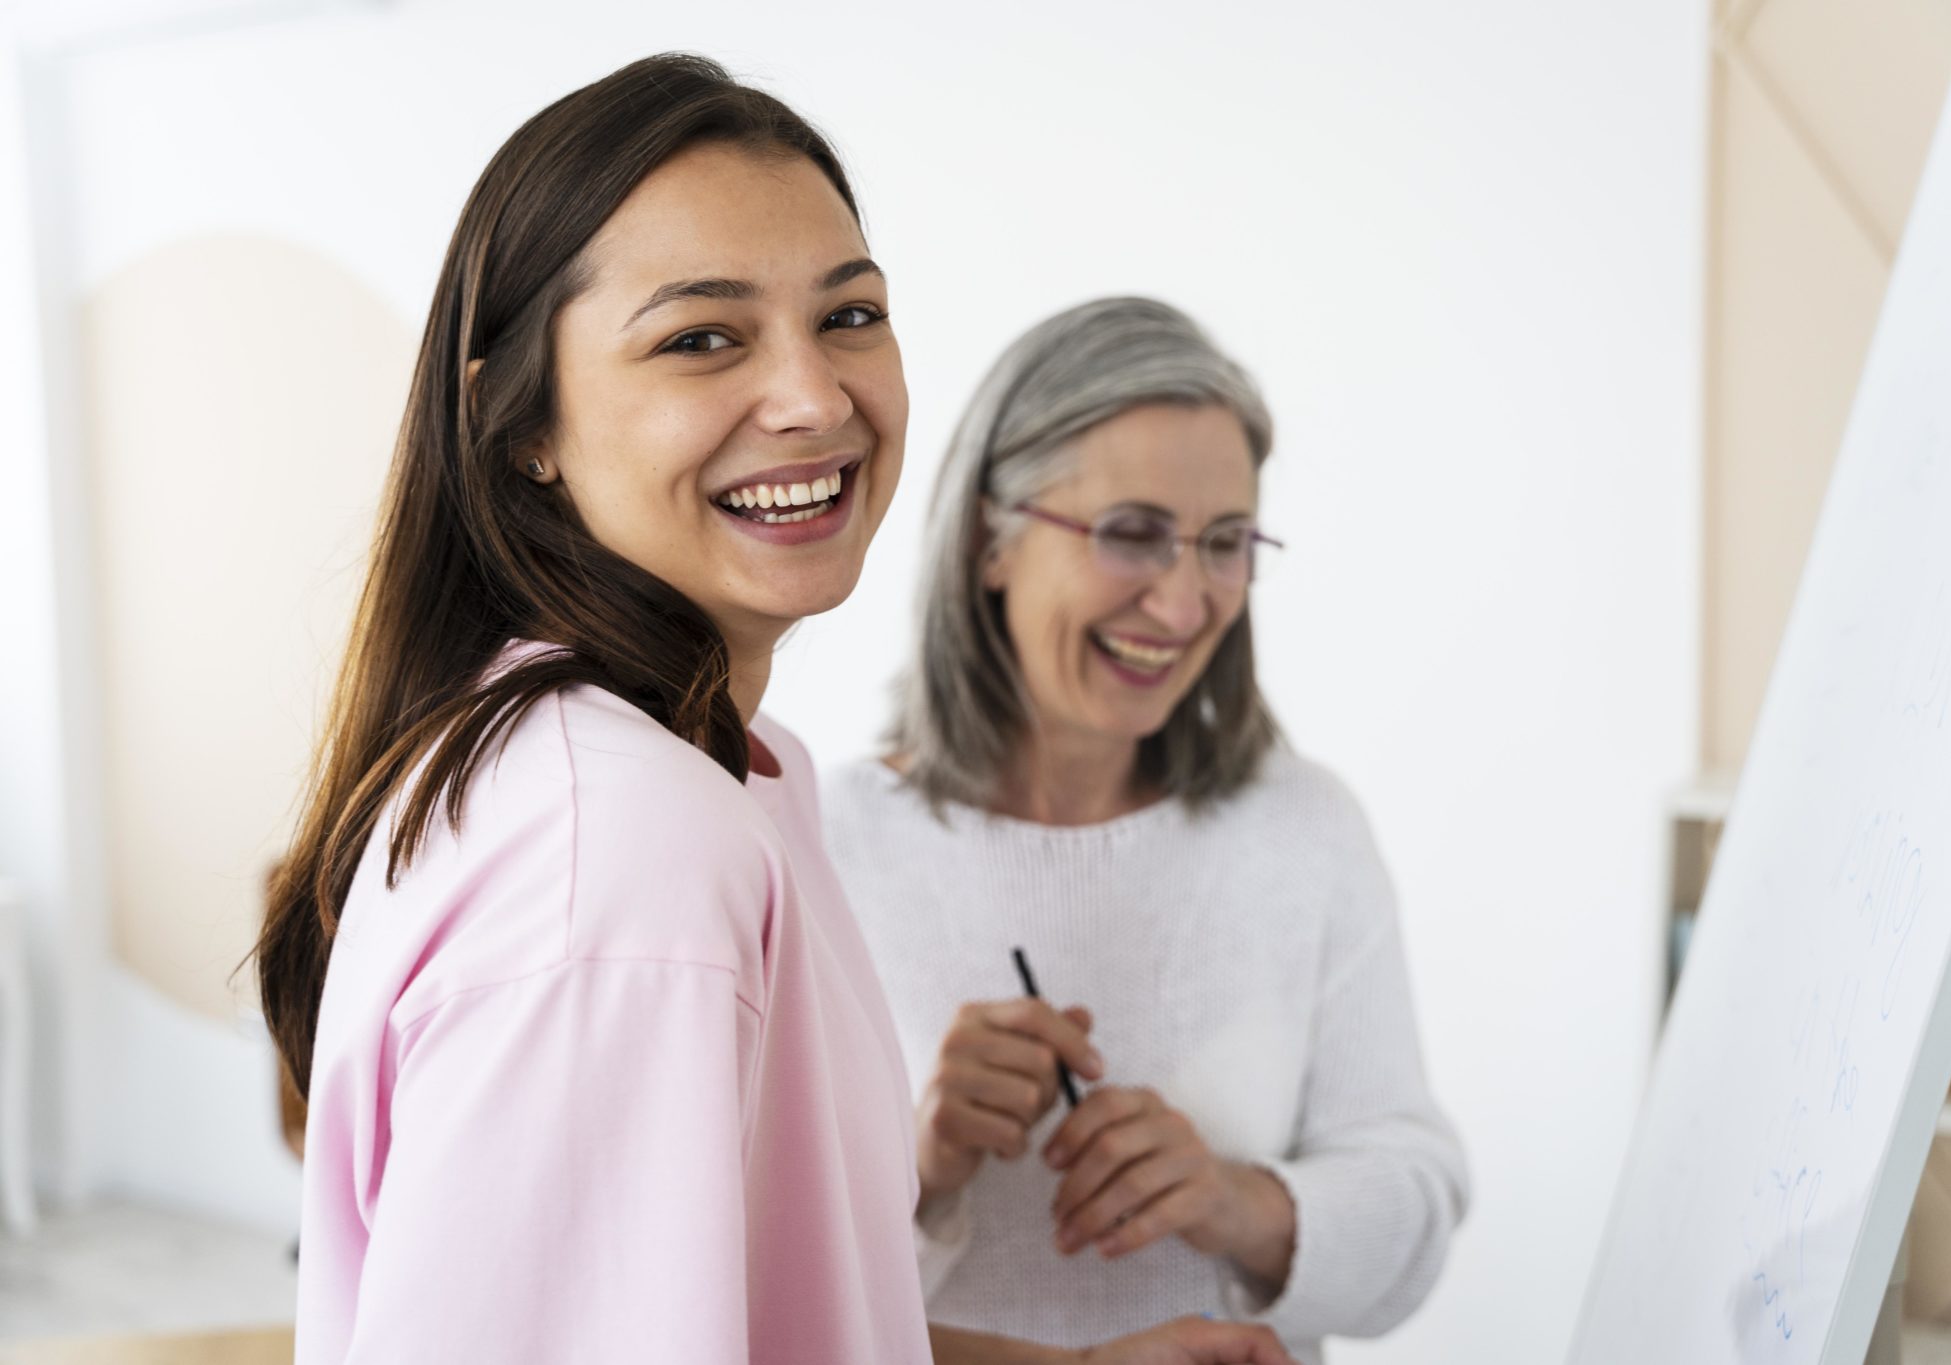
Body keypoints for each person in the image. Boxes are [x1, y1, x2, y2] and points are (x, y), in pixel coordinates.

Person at [256, 58, 1292, 1365]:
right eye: (702, 337)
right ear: (519, 422)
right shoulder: (617, 853)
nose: (814, 397)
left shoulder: (715, 776)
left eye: (850, 316)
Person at [823, 297, 1469, 1363]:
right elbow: (758, 1283)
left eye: (1223, 544)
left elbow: (1414, 1216)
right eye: (1131, 535)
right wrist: (925, 1161)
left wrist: (1234, 1202)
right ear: (990, 542)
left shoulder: (1300, 830)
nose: (1182, 604)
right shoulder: (827, 844)